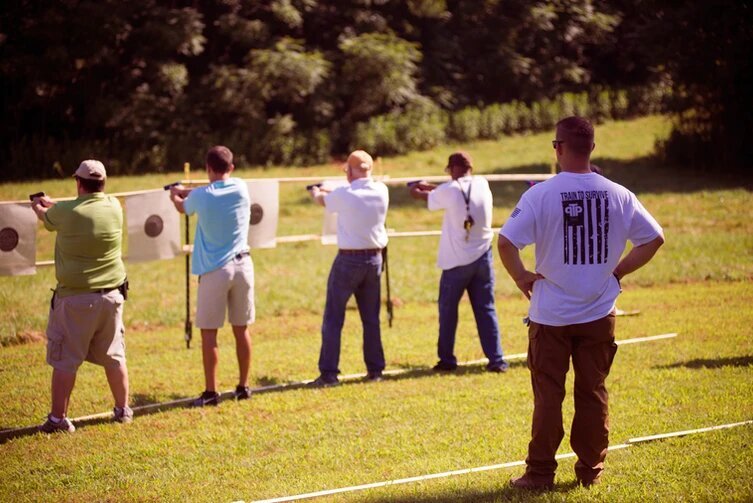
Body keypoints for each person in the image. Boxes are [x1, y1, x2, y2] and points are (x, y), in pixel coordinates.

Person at [498, 116, 664, 489]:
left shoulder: (540, 194)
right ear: (592, 147)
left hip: (550, 315)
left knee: (548, 397)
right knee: (592, 392)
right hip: (599, 312)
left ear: (558, 148)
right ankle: (590, 470)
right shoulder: (619, 194)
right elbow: (654, 239)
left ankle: (540, 473)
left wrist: (521, 276)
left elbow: (506, 242)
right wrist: (618, 272)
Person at [30, 160, 132, 433]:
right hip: (112, 295)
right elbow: (78, 209)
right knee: (114, 356)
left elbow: (45, 215)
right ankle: (123, 410)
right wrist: (57, 205)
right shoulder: (113, 206)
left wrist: (40, 204)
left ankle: (57, 419)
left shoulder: (66, 212)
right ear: (103, 183)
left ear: (78, 182)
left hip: (75, 299)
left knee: (65, 360)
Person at [169, 146, 254, 406]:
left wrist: (175, 195)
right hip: (243, 267)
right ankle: (243, 387)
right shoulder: (241, 187)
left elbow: (183, 207)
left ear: (207, 168)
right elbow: (205, 193)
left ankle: (211, 392)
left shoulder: (202, 196)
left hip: (215, 271)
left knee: (209, 334)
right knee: (242, 331)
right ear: (231, 168)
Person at [409, 152, 508, 373]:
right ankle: (497, 359)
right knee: (486, 309)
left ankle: (447, 360)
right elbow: (452, 190)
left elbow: (425, 196)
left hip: (456, 262)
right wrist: (432, 186)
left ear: (452, 168)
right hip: (483, 256)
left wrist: (416, 188)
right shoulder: (482, 183)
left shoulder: (450, 189)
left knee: (448, 311)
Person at [307, 150, 389, 386]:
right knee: (371, 318)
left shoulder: (346, 193)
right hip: (374, 260)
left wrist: (315, 190)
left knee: (333, 317)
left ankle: (329, 373)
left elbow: (322, 200)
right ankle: (375, 370)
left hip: (348, 261)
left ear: (351, 171)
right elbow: (348, 196)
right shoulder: (381, 190)